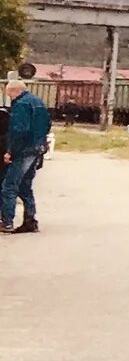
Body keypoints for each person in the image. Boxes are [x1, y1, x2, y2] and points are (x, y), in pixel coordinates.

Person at [3, 62, 50, 234]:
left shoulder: (21, 105)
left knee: (9, 186)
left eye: (9, 94)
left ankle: (6, 222)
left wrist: (10, 151)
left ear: (15, 91)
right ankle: (30, 221)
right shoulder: (38, 102)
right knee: (25, 185)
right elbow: (48, 125)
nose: (10, 98)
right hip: (37, 149)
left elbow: (18, 130)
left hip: (24, 150)